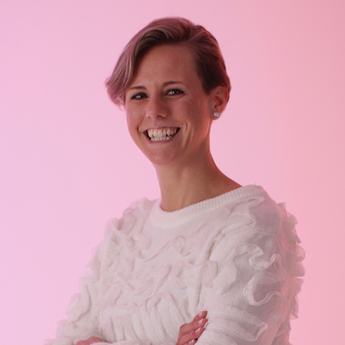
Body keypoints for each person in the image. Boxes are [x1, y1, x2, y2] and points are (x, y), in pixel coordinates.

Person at [46, 17, 304, 345]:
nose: (154, 110)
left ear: (218, 100)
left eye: (173, 91)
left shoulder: (252, 225)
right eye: (138, 95)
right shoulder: (126, 233)